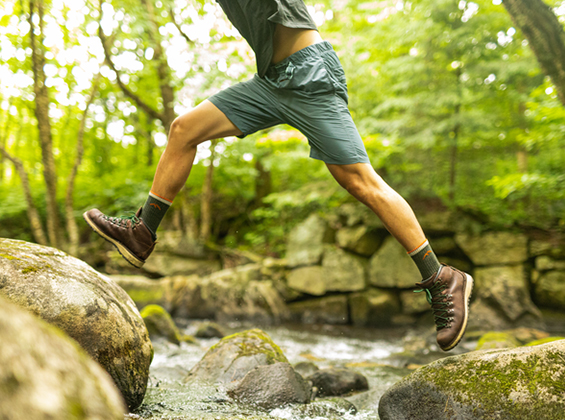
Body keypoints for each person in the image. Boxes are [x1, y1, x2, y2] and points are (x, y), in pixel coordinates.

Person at [83, 0, 472, 351]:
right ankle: (142, 232)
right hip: (270, 82)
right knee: (183, 130)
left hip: (311, 74)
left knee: (361, 182)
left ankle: (441, 278)